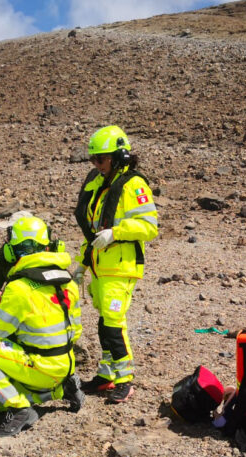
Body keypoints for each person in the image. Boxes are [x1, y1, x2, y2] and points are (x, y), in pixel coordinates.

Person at [0, 216, 84, 437]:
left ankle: (19, 408)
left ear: (13, 252)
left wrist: (1, 304)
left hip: (42, 367)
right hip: (66, 363)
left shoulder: (19, 288)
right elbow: (76, 330)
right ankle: (63, 388)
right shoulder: (68, 281)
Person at [73, 125, 158, 403]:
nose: (96, 165)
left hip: (121, 266)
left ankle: (125, 379)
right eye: (93, 160)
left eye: (101, 159)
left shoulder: (134, 185)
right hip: (101, 265)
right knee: (103, 323)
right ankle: (107, 375)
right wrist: (81, 265)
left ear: (118, 156)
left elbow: (149, 226)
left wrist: (116, 232)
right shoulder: (100, 185)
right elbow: (94, 229)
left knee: (113, 322)